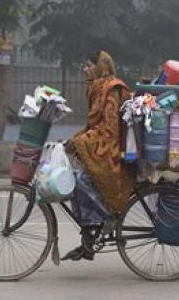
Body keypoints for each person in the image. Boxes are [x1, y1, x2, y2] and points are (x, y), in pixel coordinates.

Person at [62, 51, 133, 261]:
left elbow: (110, 129)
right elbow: (93, 126)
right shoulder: (97, 88)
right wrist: (73, 140)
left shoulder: (111, 89)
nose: (85, 69)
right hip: (103, 146)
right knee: (76, 183)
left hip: (113, 151)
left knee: (81, 180)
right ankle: (89, 236)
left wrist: (81, 141)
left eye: (88, 65)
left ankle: (108, 216)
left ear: (99, 66)